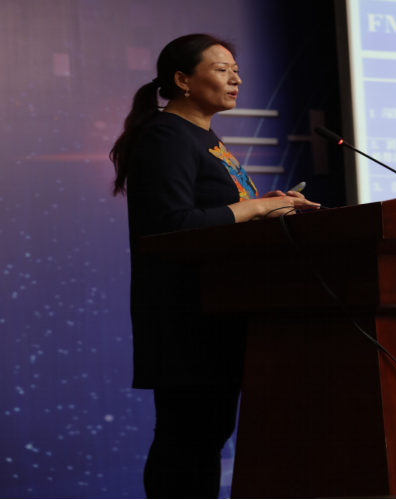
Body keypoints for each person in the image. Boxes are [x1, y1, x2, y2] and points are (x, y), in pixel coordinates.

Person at [109, 34, 319, 499]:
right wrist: (256, 209)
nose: (236, 79)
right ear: (182, 80)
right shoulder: (166, 134)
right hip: (185, 311)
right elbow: (174, 223)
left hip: (219, 308)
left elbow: (215, 215)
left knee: (206, 435)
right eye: (222, 70)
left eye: (236, 71)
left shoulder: (203, 135)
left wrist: (265, 205)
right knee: (187, 438)